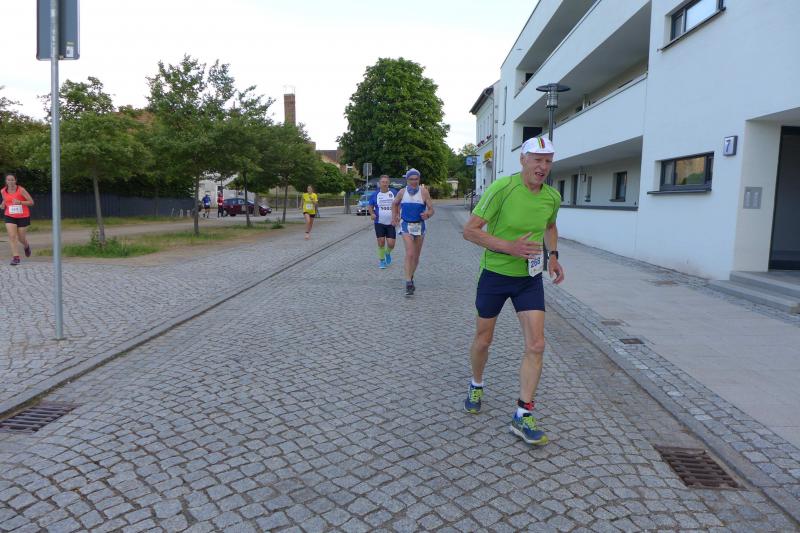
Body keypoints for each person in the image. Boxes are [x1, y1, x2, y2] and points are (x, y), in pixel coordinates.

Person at [462, 137, 565, 446]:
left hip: (528, 278)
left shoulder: (552, 196)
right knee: (484, 340)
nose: (543, 167)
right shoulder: (502, 189)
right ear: (523, 160)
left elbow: (550, 226)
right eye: (537, 160)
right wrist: (509, 247)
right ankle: (476, 384)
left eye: (548, 161)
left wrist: (553, 255)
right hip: (495, 274)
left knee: (537, 344)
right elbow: (470, 231)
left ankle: (522, 414)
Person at [392, 169, 434, 296]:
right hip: (406, 225)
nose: (414, 182)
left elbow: (431, 209)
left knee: (416, 256)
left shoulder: (424, 192)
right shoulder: (402, 192)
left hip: (420, 226)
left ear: (419, 179)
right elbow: (394, 204)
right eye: (411, 179)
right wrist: (395, 216)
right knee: (410, 253)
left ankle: (410, 275)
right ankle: (408, 282)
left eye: (416, 179)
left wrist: (427, 214)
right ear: (407, 180)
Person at [1, 173, 34, 266]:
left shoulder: (21, 190)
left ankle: (26, 245)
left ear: (15, 180)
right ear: (6, 181)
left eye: (12, 180)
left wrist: (20, 202)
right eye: (8, 180)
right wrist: (3, 204)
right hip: (10, 215)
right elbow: (5, 199)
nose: (10, 182)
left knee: (21, 238)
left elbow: (31, 202)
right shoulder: (3, 191)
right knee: (12, 236)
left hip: (23, 216)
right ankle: (16, 257)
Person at [368, 175, 397, 269]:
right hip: (379, 222)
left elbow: (398, 204)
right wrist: (372, 214)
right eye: (383, 182)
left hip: (391, 223)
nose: (384, 184)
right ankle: (382, 261)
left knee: (391, 244)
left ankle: (387, 253)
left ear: (389, 183)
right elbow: (370, 206)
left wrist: (398, 215)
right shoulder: (375, 194)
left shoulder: (393, 192)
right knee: (381, 242)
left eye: (386, 182)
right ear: (379, 183)